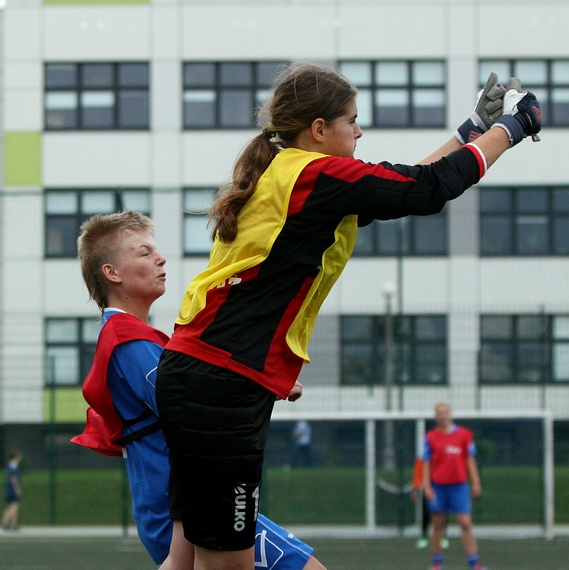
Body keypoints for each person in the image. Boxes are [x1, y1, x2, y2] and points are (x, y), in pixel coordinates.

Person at [154, 61, 541, 570]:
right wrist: (512, 127)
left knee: (186, 558)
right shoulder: (317, 175)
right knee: (226, 564)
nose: (359, 131)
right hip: (222, 387)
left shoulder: (289, 173)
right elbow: (427, 190)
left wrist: (470, 132)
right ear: (319, 130)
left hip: (201, 376)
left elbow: (406, 180)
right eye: (352, 120)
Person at [71, 210, 326, 570]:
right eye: (144, 253)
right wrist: (261, 382)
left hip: (191, 504)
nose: (160, 258)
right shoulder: (127, 340)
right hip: (188, 510)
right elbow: (192, 402)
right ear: (111, 273)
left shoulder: (134, 337)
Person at [421, 403, 485, 570]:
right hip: (438, 486)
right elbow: (426, 463)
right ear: (436, 417)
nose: (442, 416)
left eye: (445, 412)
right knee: (438, 524)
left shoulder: (464, 435)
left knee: (465, 523)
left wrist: (476, 481)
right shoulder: (430, 437)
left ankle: (473, 562)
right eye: (439, 413)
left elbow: (470, 460)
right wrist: (426, 485)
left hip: (459, 486)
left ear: (450, 414)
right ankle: (436, 562)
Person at [2, 450, 23, 531]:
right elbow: (14, 479)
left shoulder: (9, 465)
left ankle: (8, 523)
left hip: (8, 489)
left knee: (10, 507)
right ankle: (12, 525)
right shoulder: (14, 466)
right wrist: (17, 489)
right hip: (12, 489)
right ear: (15, 457)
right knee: (14, 507)